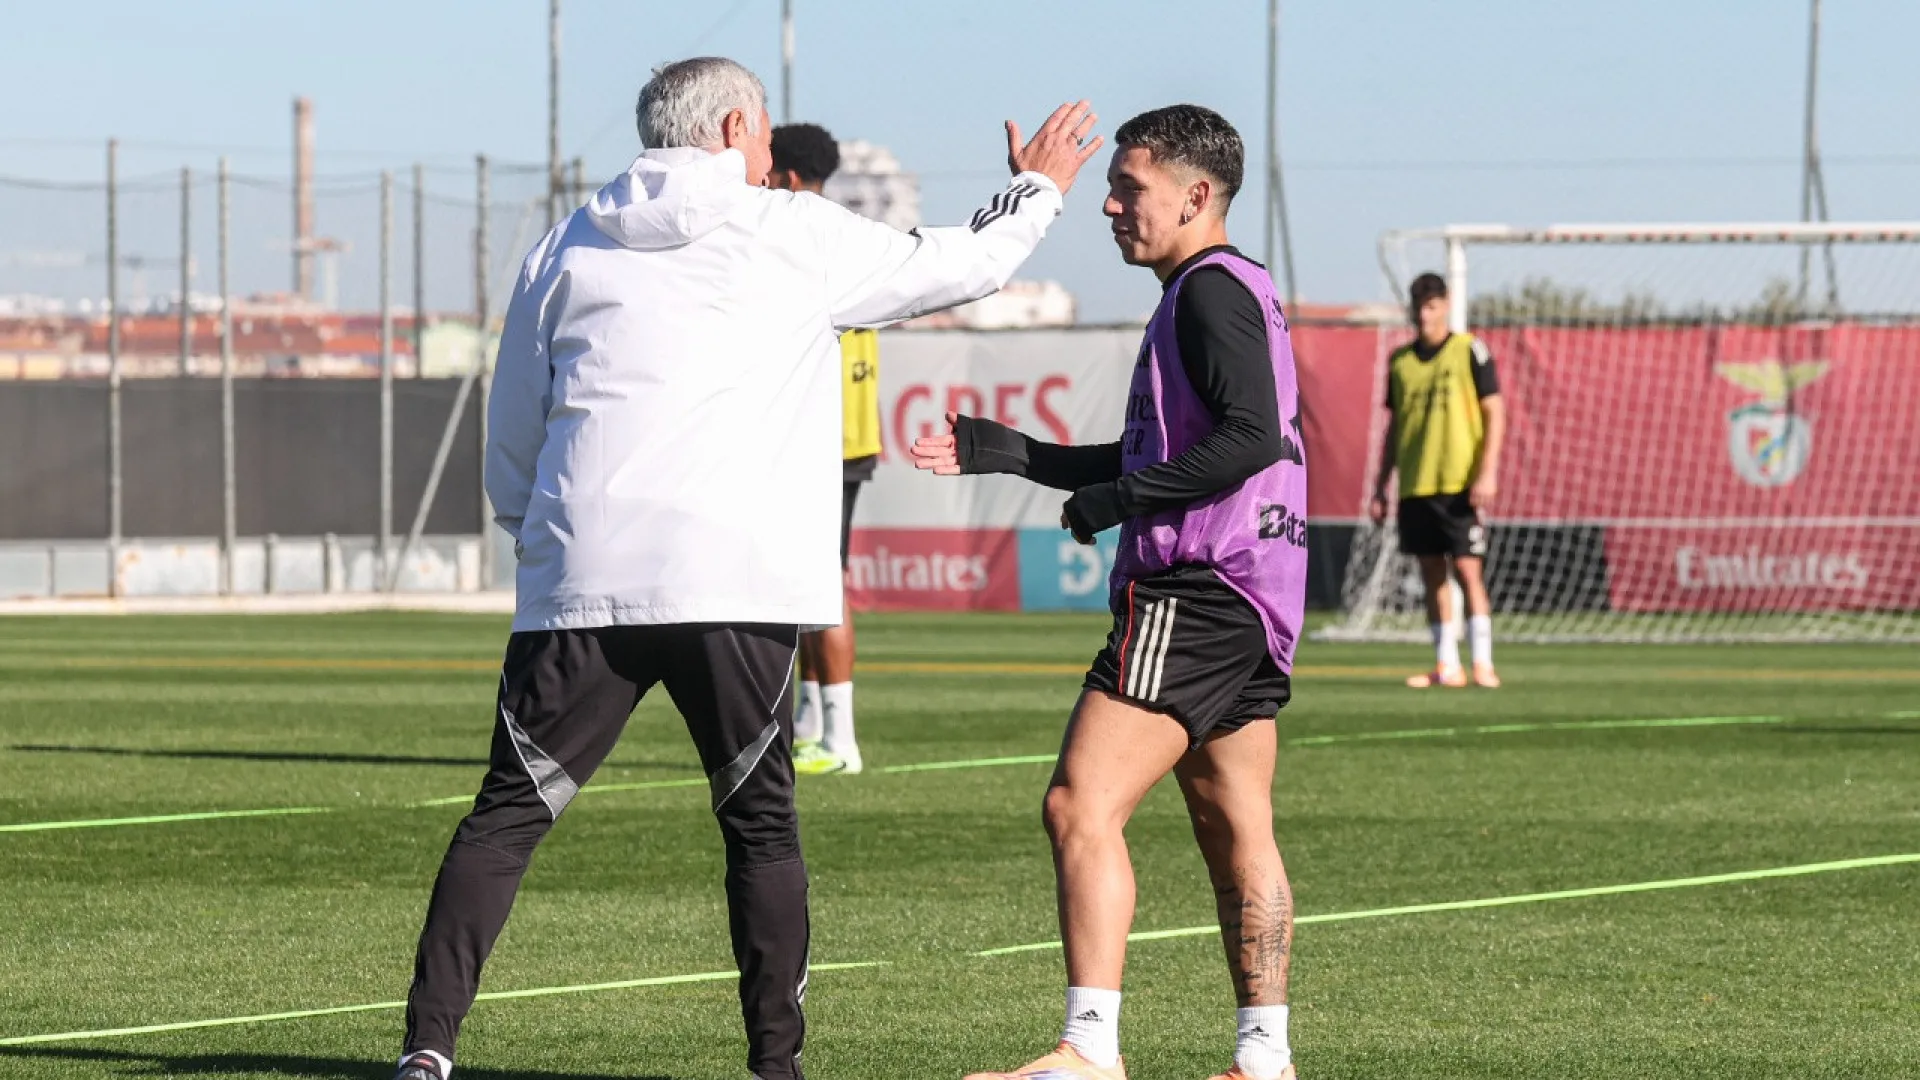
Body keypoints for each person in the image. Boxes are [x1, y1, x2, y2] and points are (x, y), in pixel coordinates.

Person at [391, 56, 1103, 1080]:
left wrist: (541, 546)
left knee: (505, 817)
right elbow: (967, 266)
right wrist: (1036, 190)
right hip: (738, 579)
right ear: (733, 128)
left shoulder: (563, 246)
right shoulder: (793, 232)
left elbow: (514, 432)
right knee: (760, 828)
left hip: (584, 576)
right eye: (764, 132)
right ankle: (777, 1068)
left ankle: (426, 1051)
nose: (770, 150)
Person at [912, 104, 1305, 1080]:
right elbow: (1177, 447)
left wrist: (1121, 500)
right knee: (1234, 826)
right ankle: (1265, 1057)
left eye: (1129, 188)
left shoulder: (1207, 294)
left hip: (1196, 586)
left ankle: (1089, 1050)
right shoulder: (1229, 289)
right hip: (1255, 595)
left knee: (1078, 806)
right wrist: (1016, 454)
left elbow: (1247, 439)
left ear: (1195, 194)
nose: (1113, 207)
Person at [766, 122, 877, 776]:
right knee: (807, 583)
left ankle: (841, 739)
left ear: (782, 175)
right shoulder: (846, 235)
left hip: (822, 441)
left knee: (823, 585)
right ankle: (812, 720)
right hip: (841, 437)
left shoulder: (800, 233)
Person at [1365, 272, 1506, 689]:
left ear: (1444, 306)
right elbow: (1394, 428)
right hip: (1416, 484)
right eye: (1418, 308)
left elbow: (1494, 411)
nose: (1424, 316)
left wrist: (1488, 471)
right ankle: (1447, 665)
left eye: (1431, 307)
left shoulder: (1469, 350)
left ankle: (1483, 662)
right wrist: (1380, 484)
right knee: (1431, 574)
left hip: (1460, 482)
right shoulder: (1401, 362)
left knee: (1467, 569)